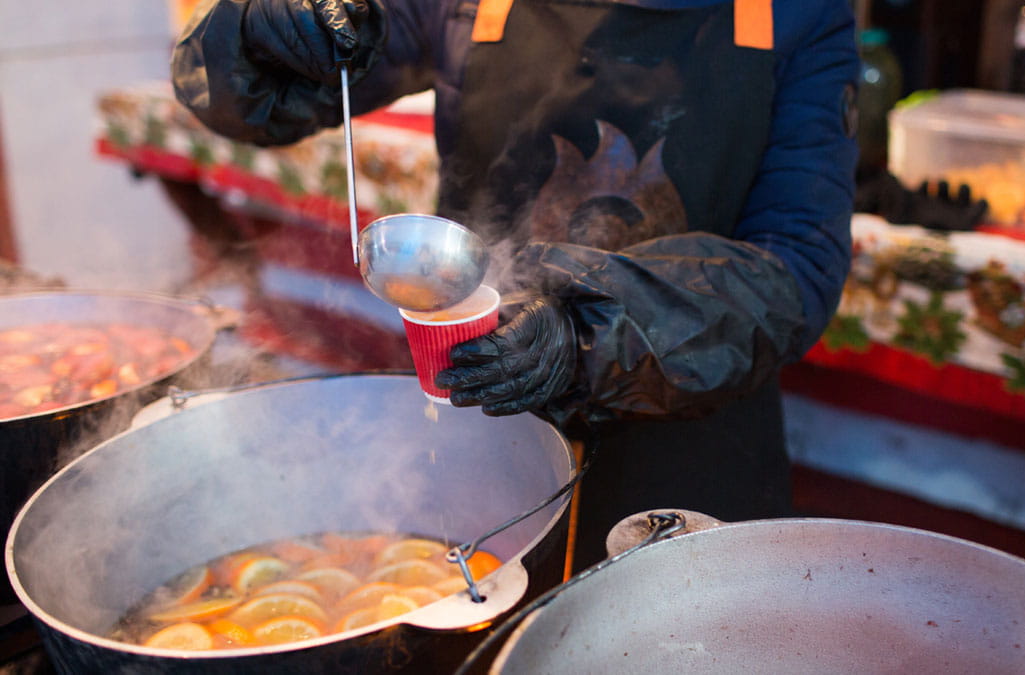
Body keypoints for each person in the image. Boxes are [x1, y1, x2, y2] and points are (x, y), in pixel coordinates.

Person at [172, 0, 859, 570]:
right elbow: (261, 99)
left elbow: (796, 267)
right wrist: (258, 34)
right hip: (478, 421)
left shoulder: (798, 14)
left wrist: (587, 330)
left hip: (691, 434)